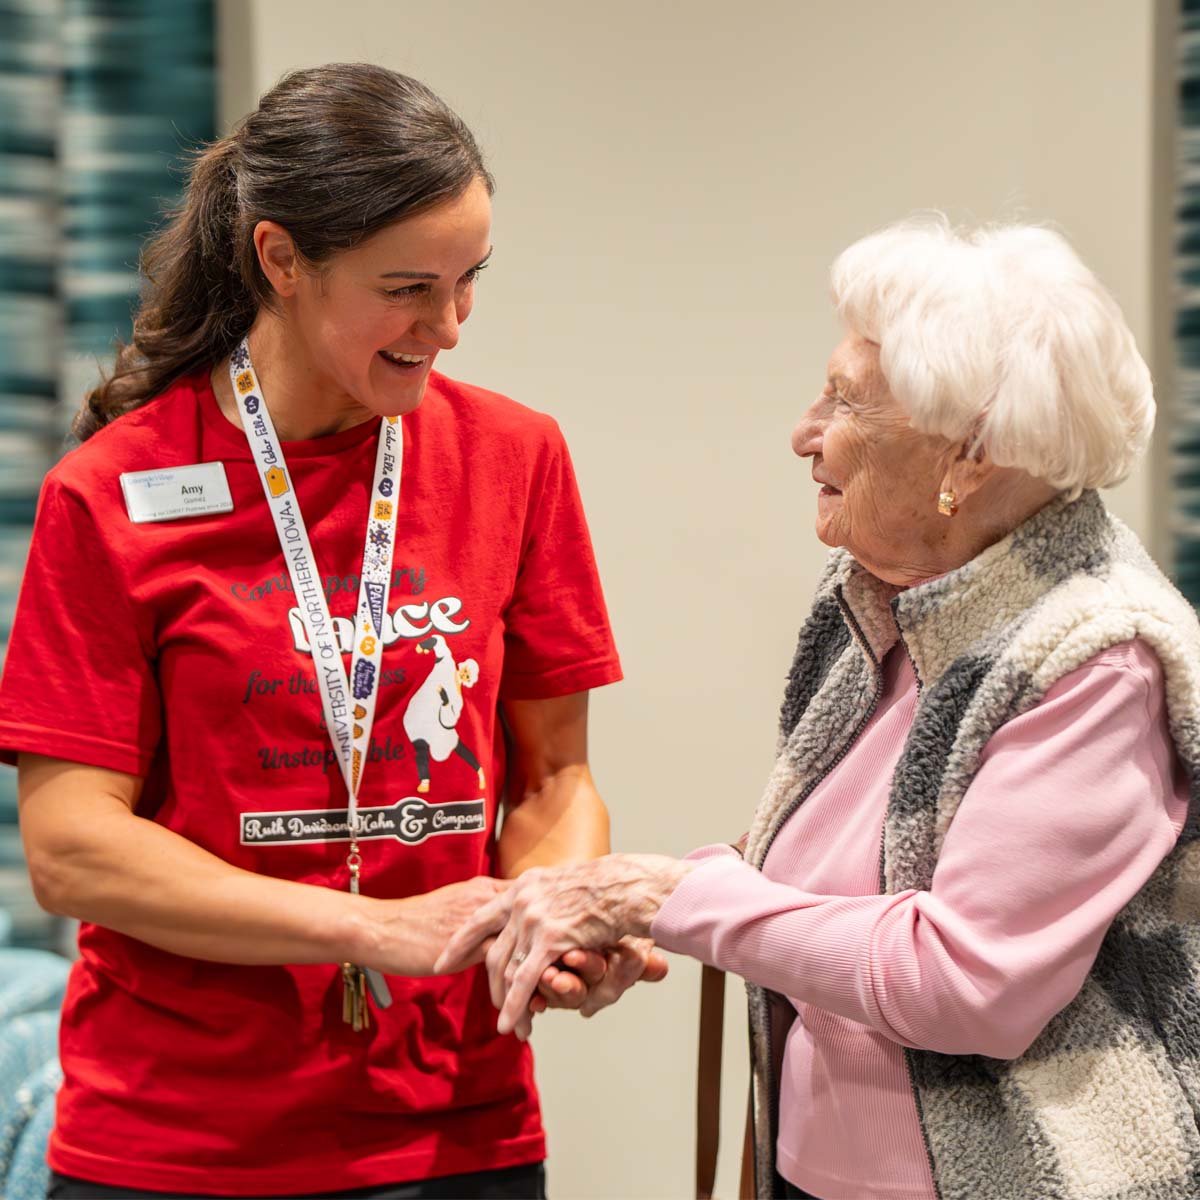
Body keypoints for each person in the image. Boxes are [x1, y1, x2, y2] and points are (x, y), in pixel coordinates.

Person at [0, 63, 664, 1200]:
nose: (449, 327)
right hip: (183, 1145)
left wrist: (551, 914)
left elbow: (555, 779)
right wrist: (371, 930)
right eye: (408, 288)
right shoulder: (116, 491)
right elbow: (72, 848)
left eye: (469, 282)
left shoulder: (516, 458)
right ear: (281, 260)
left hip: (459, 1127)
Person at [439, 218, 1200, 1200]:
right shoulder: (883, 598)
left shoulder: (1095, 658)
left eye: (844, 406)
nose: (804, 435)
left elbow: (966, 983)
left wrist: (671, 898)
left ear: (968, 458)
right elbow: (816, 910)